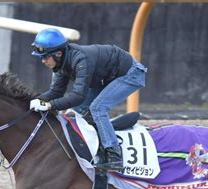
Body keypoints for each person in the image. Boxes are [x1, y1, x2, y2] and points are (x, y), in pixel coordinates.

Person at [29, 28, 147, 172]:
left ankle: (114, 155)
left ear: (58, 53)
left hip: (130, 74)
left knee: (97, 108)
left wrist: (48, 105)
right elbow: (56, 91)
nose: (42, 61)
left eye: (45, 57)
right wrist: (34, 100)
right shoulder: (61, 63)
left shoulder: (81, 59)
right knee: (75, 111)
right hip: (106, 77)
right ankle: (95, 146)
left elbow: (78, 96)